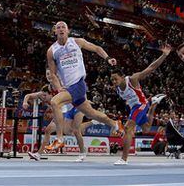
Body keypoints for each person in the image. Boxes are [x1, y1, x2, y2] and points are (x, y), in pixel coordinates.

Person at [46, 21, 121, 150]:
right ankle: (115, 124)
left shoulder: (77, 42)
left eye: (64, 26)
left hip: (79, 84)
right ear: (55, 31)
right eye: (58, 27)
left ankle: (59, 139)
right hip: (68, 88)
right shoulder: (52, 51)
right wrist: (59, 88)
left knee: (54, 102)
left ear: (68, 30)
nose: (61, 29)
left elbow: (97, 48)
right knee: (92, 114)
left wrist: (108, 58)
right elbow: (52, 74)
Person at [110, 44, 171, 165]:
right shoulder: (116, 88)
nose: (113, 82)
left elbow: (151, 68)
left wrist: (164, 55)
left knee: (128, 128)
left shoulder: (132, 79)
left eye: (115, 79)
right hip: (135, 107)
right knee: (146, 129)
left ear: (122, 77)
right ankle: (153, 105)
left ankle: (124, 159)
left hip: (140, 104)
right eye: (112, 80)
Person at [22, 69, 86, 162]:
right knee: (48, 130)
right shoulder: (45, 90)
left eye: (50, 74)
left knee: (76, 131)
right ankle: (38, 154)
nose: (48, 76)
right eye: (47, 74)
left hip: (75, 107)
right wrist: (25, 102)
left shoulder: (62, 85)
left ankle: (81, 151)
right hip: (62, 112)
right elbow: (29, 95)